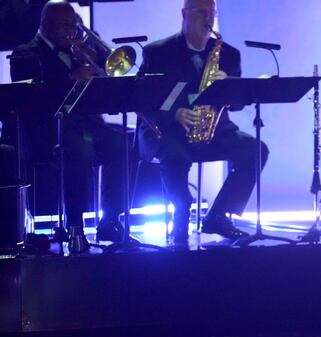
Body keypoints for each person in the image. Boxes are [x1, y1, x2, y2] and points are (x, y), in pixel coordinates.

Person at [138, 0, 268, 243]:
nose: (208, 18)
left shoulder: (229, 54)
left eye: (212, 12)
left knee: (256, 149)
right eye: (201, 12)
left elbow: (238, 104)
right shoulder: (157, 52)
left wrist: (228, 86)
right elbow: (140, 99)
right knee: (175, 156)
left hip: (215, 129)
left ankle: (218, 215)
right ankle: (181, 211)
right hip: (167, 130)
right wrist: (175, 113)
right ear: (184, 14)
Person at [7, 1, 125, 247]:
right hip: (45, 131)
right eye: (63, 25)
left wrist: (97, 60)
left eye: (73, 25)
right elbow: (32, 98)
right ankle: (76, 227)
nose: (70, 31)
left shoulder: (79, 49)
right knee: (80, 150)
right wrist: (71, 78)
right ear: (46, 24)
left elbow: (110, 79)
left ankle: (110, 220)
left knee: (120, 143)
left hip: (86, 125)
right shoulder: (25, 52)